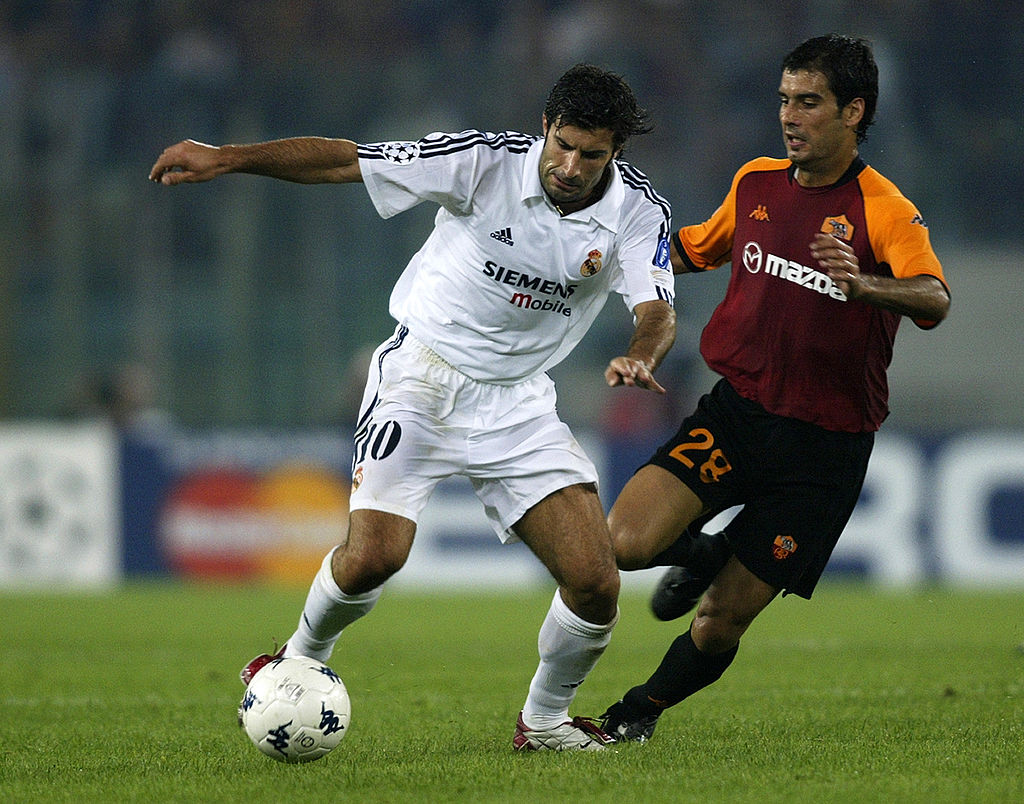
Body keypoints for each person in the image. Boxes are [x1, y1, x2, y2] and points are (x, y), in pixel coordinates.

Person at [149, 63, 677, 751]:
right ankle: (299, 656)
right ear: (544, 127)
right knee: (374, 557)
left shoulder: (639, 212)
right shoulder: (481, 163)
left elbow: (656, 309)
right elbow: (345, 161)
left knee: (595, 582)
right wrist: (227, 159)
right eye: (563, 145)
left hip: (518, 403)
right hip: (421, 377)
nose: (572, 166)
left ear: (616, 152)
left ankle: (543, 724)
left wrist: (642, 353)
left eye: (592, 154)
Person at [597, 34, 951, 743]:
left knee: (720, 621)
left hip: (824, 449)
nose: (790, 116)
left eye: (809, 102)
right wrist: (607, 253)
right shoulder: (757, 181)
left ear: (854, 111)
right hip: (738, 414)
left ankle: (634, 714)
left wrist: (862, 285)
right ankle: (704, 553)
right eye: (785, 100)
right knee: (626, 543)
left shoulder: (884, 208)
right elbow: (697, 247)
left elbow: (934, 298)